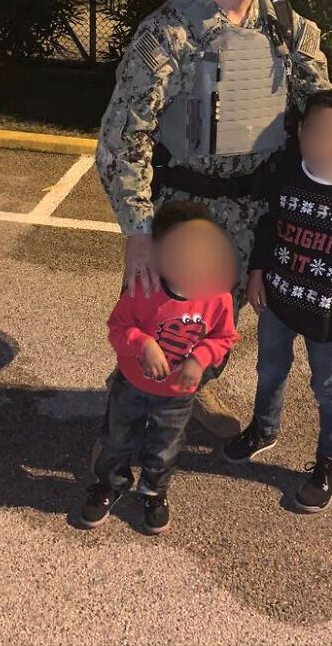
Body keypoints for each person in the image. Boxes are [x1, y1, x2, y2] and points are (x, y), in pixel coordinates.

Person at [96, 0, 332, 433]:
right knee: (155, 326)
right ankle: (121, 436)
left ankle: (194, 391)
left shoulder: (289, 30)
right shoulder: (169, 32)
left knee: (215, 328)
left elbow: (322, 103)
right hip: (180, 213)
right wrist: (138, 230)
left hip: (255, 216)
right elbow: (122, 138)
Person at [223, 90, 332, 513]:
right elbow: (269, 225)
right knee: (269, 369)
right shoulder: (289, 172)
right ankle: (264, 428)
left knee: (327, 390)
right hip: (278, 300)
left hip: (327, 318)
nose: (323, 142)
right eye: (315, 131)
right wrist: (257, 271)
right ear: (300, 134)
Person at [81, 200, 239, 534]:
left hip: (178, 394)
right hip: (132, 385)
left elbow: (224, 337)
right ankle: (110, 484)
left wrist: (200, 359)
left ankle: (154, 491)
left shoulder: (217, 295)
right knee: (116, 439)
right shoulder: (143, 288)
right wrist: (143, 343)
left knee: (165, 446)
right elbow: (118, 327)